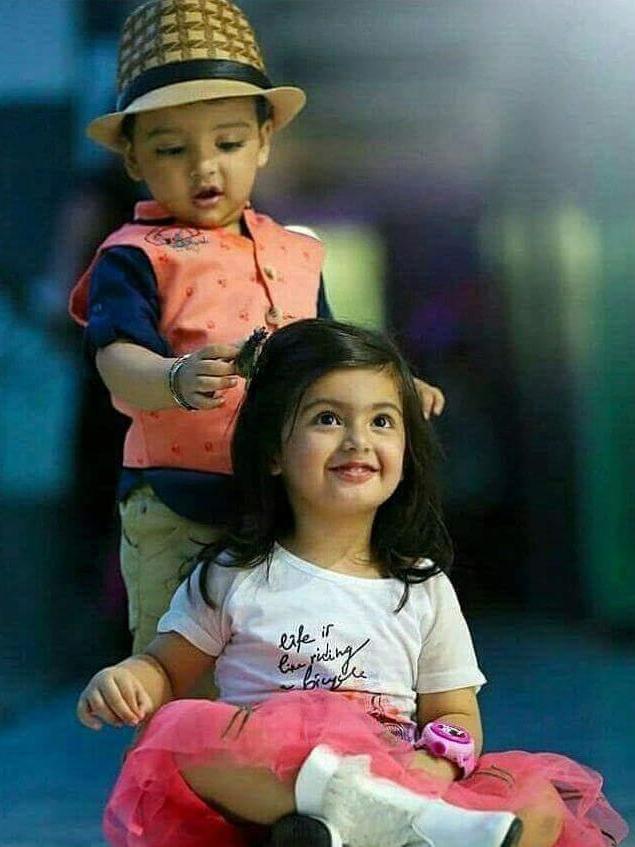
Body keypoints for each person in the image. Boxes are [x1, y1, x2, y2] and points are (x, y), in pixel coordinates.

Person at [77, 320, 627, 847]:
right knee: (182, 726)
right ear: (273, 451)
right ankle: (389, 830)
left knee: (540, 804)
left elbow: (455, 713)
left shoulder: (420, 586)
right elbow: (165, 669)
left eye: (382, 422)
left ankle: (392, 822)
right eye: (327, 419)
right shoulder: (235, 573)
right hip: (276, 796)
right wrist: (127, 680)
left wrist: (433, 767)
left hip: (400, 776)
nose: (358, 441)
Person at [67, 0, 446, 657]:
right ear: (132, 157)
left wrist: (392, 389)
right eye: (171, 149)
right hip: (180, 500)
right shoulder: (133, 255)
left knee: (284, 656)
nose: (205, 167)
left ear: (265, 139)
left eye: (229, 143)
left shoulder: (296, 251)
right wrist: (173, 377)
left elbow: (331, 358)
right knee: (176, 660)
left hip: (288, 500)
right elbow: (115, 357)